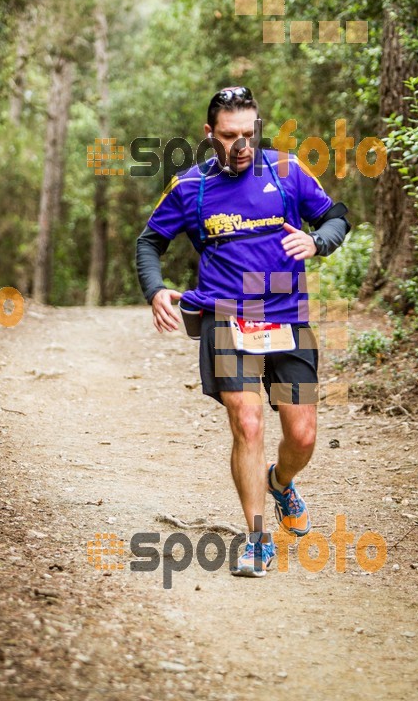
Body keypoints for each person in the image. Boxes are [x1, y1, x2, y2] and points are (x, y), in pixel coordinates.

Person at [136, 87, 350, 577]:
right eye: (229, 136)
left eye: (248, 134)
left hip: (287, 317)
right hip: (225, 317)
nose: (241, 145)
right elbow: (150, 241)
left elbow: (336, 216)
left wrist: (318, 242)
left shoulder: (288, 170)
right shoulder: (191, 187)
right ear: (209, 134)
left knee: (302, 435)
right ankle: (256, 539)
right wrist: (155, 290)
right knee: (248, 423)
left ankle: (281, 482)